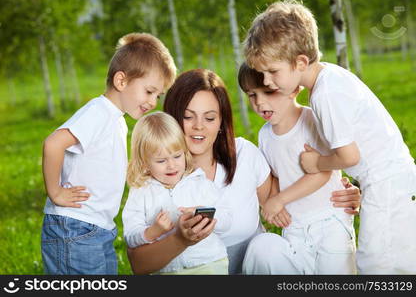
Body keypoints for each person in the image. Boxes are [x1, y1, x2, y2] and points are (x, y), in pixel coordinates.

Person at [126, 68, 361, 275]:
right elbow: (139, 264)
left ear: (221, 123)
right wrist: (180, 239)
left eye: (210, 118)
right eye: (188, 117)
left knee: (265, 246)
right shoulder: (157, 176)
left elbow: (281, 197)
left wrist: (337, 192)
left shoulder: (244, 155)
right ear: (172, 120)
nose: (199, 126)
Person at [243, 0, 416, 274]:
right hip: (387, 181)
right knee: (389, 261)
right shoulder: (330, 78)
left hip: (387, 184)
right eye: (263, 74)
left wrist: (317, 163)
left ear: (300, 62)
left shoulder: (325, 94)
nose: (266, 81)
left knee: (380, 265)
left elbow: (349, 156)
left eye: (273, 72)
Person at [40, 33, 176, 275]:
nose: (153, 101)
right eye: (149, 91)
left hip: (97, 229)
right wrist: (56, 192)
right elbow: (53, 144)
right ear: (121, 81)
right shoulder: (98, 113)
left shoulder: (116, 120)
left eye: (158, 95)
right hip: (75, 227)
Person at [238, 63, 356, 274]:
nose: (259, 102)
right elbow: (274, 176)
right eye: (252, 95)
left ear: (293, 88)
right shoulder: (265, 135)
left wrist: (280, 200)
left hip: (329, 220)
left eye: (268, 92)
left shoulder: (311, 120)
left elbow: (321, 173)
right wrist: (274, 204)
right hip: (296, 226)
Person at [122, 111, 231, 274]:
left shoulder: (200, 183)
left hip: (209, 264)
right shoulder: (141, 192)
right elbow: (130, 236)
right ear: (144, 161)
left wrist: (207, 216)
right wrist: (153, 231)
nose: (172, 165)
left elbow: (227, 221)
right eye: (161, 160)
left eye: (177, 156)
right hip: (167, 270)